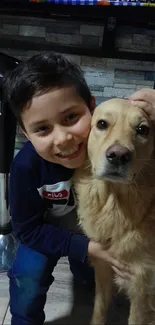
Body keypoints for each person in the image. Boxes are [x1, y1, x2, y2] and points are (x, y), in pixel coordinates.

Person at [3, 52, 132, 325]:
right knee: (28, 275)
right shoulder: (25, 167)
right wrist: (85, 247)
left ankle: (84, 272)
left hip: (93, 229)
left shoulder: (112, 150)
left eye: (71, 117)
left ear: (92, 108)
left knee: (93, 274)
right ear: (26, 134)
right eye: (42, 129)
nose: (63, 138)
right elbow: (27, 230)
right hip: (44, 232)